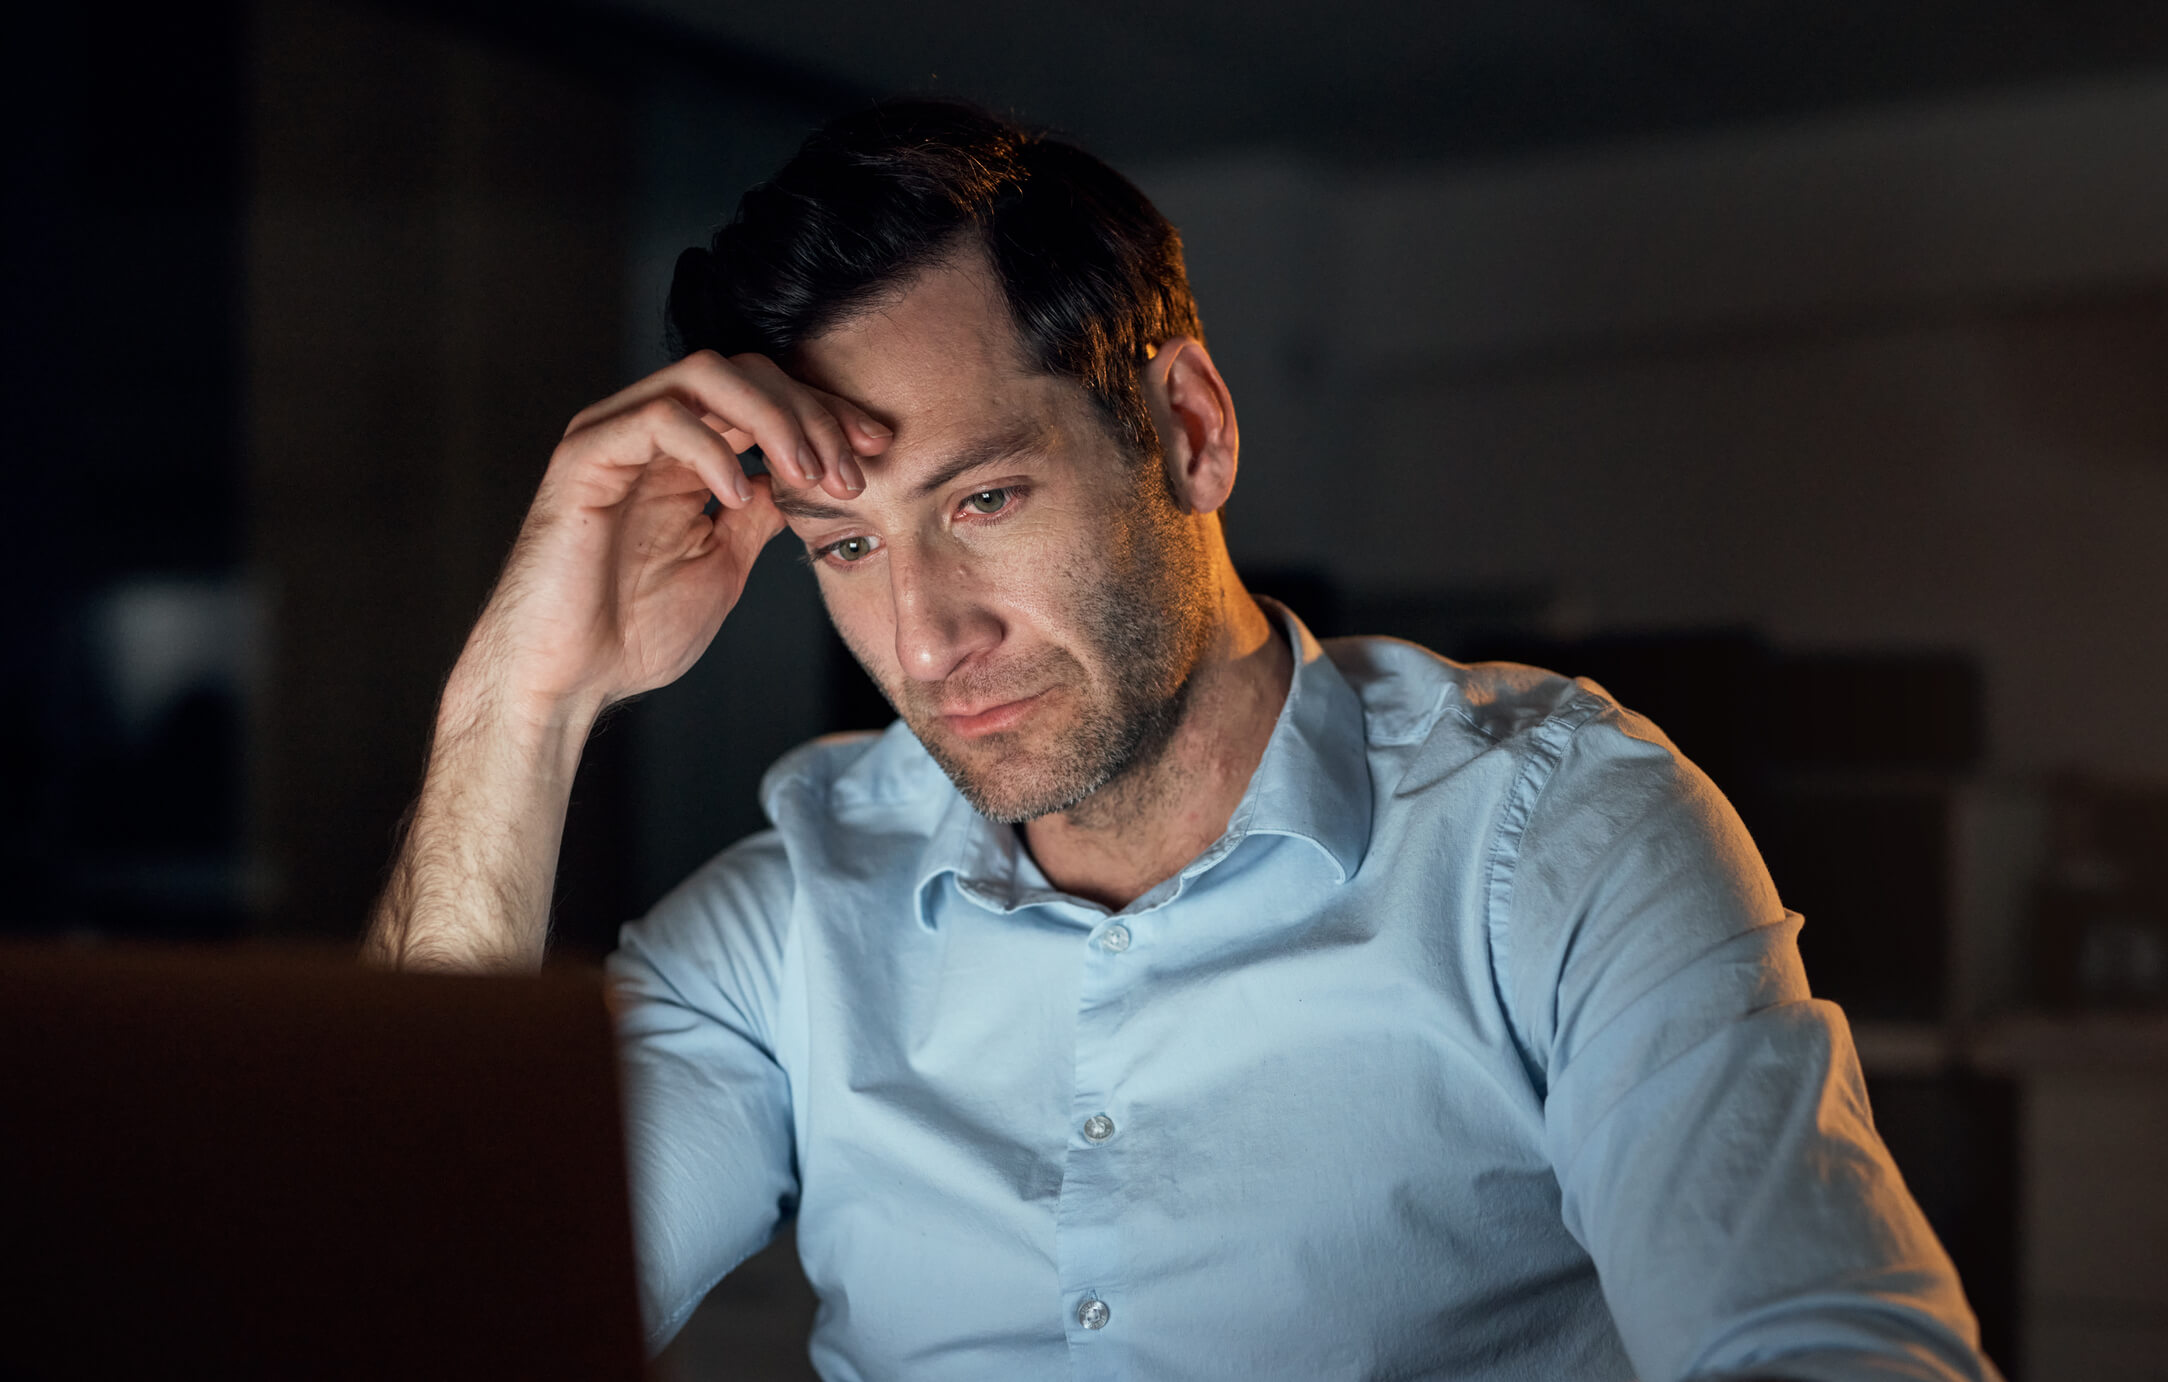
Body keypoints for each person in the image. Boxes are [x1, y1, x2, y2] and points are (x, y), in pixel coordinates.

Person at [364, 100, 1999, 1381]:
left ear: (1191, 430)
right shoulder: (796, 912)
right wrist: (520, 699)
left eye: (983, 499)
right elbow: (424, 1317)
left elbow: (1836, 1346)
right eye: (846, 548)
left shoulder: (1552, 835)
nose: (926, 639)